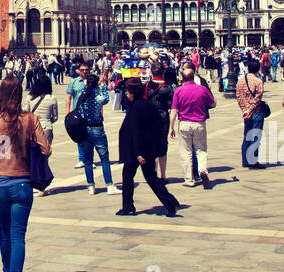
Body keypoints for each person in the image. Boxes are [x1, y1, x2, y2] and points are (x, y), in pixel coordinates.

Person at [0, 75, 51, 272]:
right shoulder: (30, 119)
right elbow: (46, 149)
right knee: (18, 235)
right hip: (21, 183)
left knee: (4, 233)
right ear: (20, 95)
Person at [117, 80, 182, 216]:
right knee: (150, 178)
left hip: (136, 150)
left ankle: (129, 206)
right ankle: (171, 202)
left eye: (128, 92)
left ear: (133, 93)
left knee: (133, 177)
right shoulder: (148, 104)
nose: (126, 94)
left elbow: (136, 131)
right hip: (148, 148)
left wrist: (139, 152)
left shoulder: (136, 108)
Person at [169, 61, 215, 188]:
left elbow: (174, 111)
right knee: (201, 150)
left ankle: (189, 179)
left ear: (182, 78)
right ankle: (202, 171)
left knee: (186, 152)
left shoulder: (178, 91)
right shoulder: (202, 89)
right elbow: (213, 103)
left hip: (184, 123)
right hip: (199, 123)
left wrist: (171, 127)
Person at [73, 71, 115, 195]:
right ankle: (109, 185)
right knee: (104, 159)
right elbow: (106, 99)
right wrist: (102, 86)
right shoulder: (97, 96)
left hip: (84, 129)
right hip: (97, 129)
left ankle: (91, 185)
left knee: (87, 160)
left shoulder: (82, 96)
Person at [235, 57, 265, 169]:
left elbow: (238, 97)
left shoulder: (240, 80)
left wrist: (244, 110)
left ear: (247, 68)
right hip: (256, 112)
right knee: (255, 136)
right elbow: (257, 99)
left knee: (246, 135)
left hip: (245, 113)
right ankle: (253, 161)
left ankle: (245, 160)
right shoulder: (258, 81)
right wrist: (250, 109)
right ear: (258, 69)